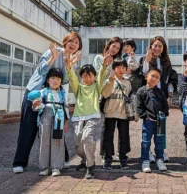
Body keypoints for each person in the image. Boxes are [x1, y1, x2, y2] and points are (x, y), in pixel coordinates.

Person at [13, 32, 82, 174]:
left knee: (57, 126)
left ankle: (61, 159)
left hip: (54, 97)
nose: (74, 44)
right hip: (36, 93)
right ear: (65, 42)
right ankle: (19, 162)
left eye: (77, 43)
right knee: (28, 128)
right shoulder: (53, 52)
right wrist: (53, 57)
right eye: (71, 41)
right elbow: (41, 70)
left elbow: (64, 81)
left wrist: (69, 66)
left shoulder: (72, 59)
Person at [65, 50, 112, 179]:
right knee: (78, 144)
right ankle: (85, 160)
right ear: (81, 77)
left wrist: (104, 64)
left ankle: (90, 167)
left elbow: (102, 75)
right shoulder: (78, 88)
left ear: (93, 76)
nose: (87, 78)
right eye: (85, 76)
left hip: (93, 117)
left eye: (90, 76)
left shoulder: (96, 87)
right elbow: (72, 78)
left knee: (87, 138)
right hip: (78, 118)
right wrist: (69, 66)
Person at [141, 36, 178, 162]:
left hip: (161, 97)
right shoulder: (144, 60)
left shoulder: (166, 63)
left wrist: (170, 94)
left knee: (161, 127)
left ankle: (160, 152)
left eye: (160, 46)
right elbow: (142, 77)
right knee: (148, 127)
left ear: (163, 49)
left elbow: (171, 79)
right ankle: (149, 152)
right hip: (149, 97)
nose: (157, 48)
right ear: (151, 46)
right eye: (155, 45)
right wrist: (146, 62)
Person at [31, 68, 69, 177]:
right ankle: (44, 167)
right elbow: (37, 107)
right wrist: (35, 104)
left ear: (61, 81)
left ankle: (56, 166)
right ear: (47, 80)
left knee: (58, 140)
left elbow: (65, 107)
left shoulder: (62, 93)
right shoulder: (43, 92)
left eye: (58, 78)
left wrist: (66, 122)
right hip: (45, 116)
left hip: (59, 117)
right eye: (53, 78)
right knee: (44, 140)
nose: (55, 81)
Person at [93, 37, 123, 162]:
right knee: (103, 126)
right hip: (102, 96)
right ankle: (104, 153)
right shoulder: (99, 58)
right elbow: (97, 76)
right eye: (113, 46)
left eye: (117, 48)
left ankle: (108, 152)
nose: (115, 49)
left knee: (110, 126)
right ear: (108, 45)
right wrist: (105, 65)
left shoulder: (115, 61)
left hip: (113, 96)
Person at [135, 68, 169, 173]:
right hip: (148, 121)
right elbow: (139, 106)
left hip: (160, 121)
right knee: (146, 141)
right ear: (146, 76)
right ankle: (145, 161)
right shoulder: (141, 91)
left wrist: (164, 114)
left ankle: (160, 160)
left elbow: (165, 105)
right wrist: (144, 116)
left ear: (159, 80)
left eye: (157, 77)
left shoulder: (160, 92)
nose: (154, 78)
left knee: (159, 142)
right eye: (152, 76)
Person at [101, 58, 132, 170]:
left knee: (123, 137)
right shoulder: (109, 80)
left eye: (123, 67)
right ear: (114, 68)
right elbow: (104, 94)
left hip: (123, 113)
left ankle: (123, 159)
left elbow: (129, 97)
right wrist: (110, 81)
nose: (121, 69)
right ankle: (108, 159)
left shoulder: (128, 83)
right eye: (118, 67)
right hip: (110, 113)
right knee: (108, 137)